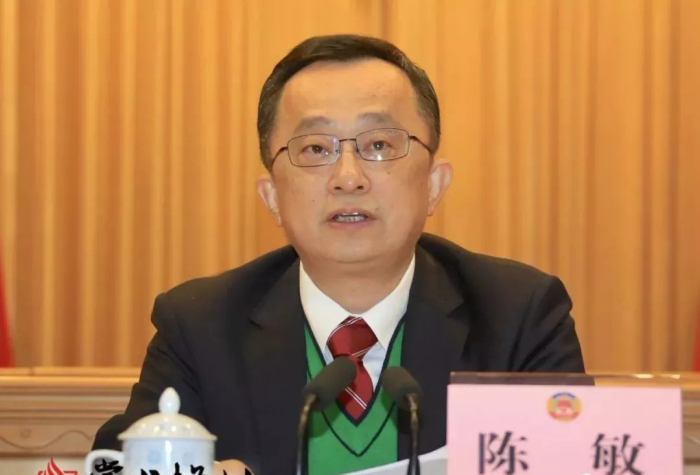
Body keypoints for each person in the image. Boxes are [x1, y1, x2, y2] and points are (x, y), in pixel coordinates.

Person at [92, 34, 585, 475]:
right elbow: (120, 456)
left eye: (379, 144)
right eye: (315, 149)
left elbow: (570, 460)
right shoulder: (201, 324)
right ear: (271, 197)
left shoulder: (518, 315)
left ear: (434, 186)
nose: (349, 177)